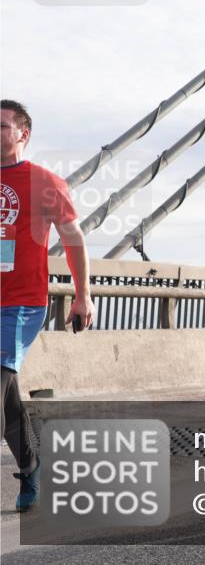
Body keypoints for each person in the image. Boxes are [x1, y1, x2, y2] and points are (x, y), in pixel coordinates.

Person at [1, 99, 95, 512]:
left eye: (2, 125)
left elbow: (73, 238)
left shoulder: (44, 182)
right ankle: (32, 464)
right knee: (7, 402)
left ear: (23, 133)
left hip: (20, 305)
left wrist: (83, 294)